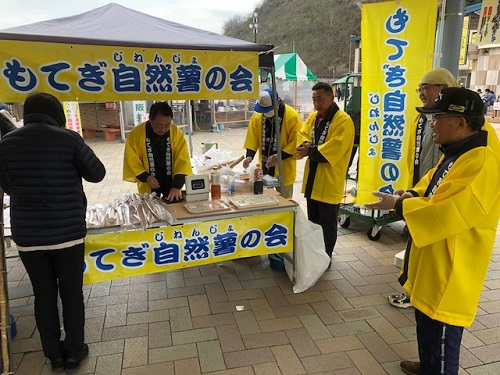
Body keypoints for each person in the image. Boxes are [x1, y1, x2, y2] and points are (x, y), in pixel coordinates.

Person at [364, 88, 500, 375]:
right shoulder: (459, 150)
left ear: (461, 122)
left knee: (442, 335)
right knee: (426, 324)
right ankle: (428, 366)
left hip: (451, 269)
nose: (432, 123)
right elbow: (432, 182)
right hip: (435, 261)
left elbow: (449, 211)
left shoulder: (481, 161)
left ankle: (435, 368)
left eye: (438, 117)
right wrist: (410, 193)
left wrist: (400, 205)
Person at [0, 92, 106, 373]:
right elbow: (97, 173)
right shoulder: (69, 139)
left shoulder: (7, 143)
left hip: (28, 237)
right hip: (67, 234)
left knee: (43, 295)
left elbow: (7, 185)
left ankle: (54, 356)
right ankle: (74, 353)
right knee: (71, 294)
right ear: (57, 113)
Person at [388, 68, 500, 309]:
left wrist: (403, 205)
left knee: (439, 325)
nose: (420, 92)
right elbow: (431, 166)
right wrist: (414, 193)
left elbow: (465, 201)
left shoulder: (480, 137)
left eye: (425, 86)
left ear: (443, 88)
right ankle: (412, 291)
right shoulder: (421, 119)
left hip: (449, 232)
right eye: (418, 88)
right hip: (425, 204)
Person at [295, 82, 355, 259]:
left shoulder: (343, 121)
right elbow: (303, 134)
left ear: (332, 97)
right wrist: (304, 145)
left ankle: (325, 258)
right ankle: (315, 256)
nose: (316, 104)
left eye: (320, 99)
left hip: (329, 183)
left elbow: (335, 148)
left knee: (327, 224)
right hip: (313, 181)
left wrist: (310, 150)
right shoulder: (314, 117)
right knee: (313, 222)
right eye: (314, 99)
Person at [123, 101, 192, 201]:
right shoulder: (136, 134)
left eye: (167, 125)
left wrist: (177, 186)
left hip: (172, 187)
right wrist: (146, 177)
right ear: (150, 119)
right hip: (148, 185)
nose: (163, 129)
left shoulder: (176, 133)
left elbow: (183, 161)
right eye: (159, 125)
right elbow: (132, 161)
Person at [242, 88, 301, 198]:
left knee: (284, 202)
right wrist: (249, 156)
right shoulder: (257, 116)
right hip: (264, 168)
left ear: (278, 102)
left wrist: (278, 156)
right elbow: (252, 137)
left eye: (269, 110)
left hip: (284, 168)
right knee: (264, 198)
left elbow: (296, 143)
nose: (265, 113)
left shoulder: (292, 117)